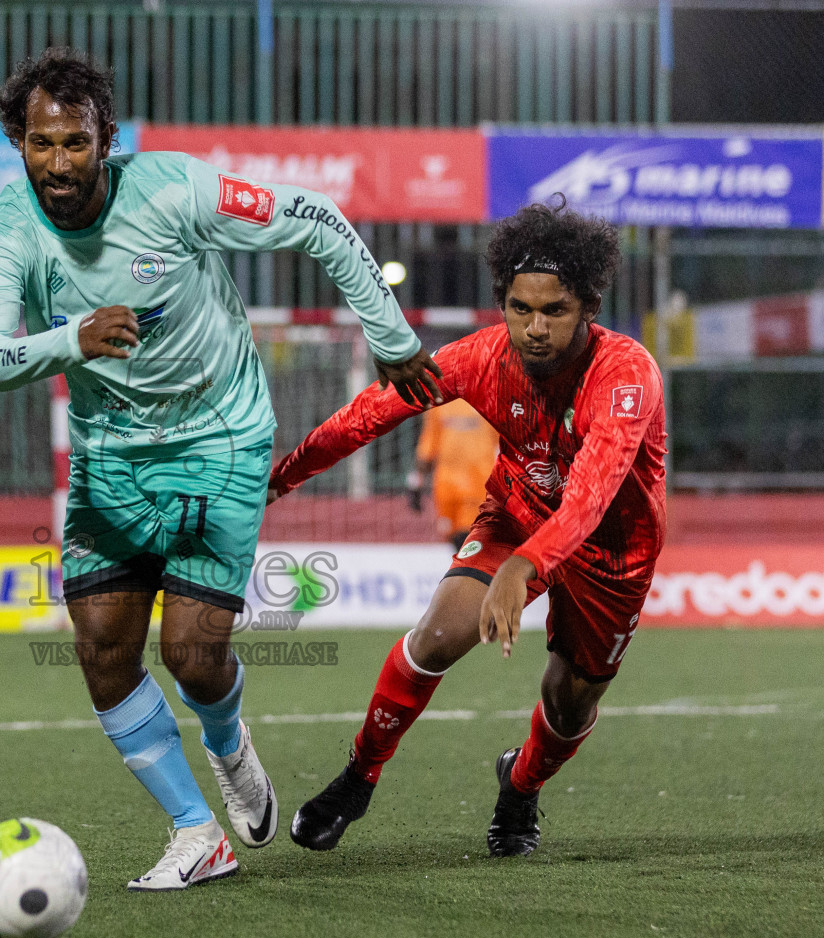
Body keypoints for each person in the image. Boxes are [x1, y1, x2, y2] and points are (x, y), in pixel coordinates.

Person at [0, 49, 437, 889]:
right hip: (110, 453)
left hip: (219, 437)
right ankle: (195, 832)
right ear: (16, 140)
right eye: (42, 144)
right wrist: (73, 338)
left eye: (77, 143)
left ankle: (228, 744)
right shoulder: (4, 233)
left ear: (108, 137)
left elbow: (319, 220)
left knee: (190, 654)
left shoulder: (176, 189)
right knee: (102, 649)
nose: (60, 164)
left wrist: (391, 339)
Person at [269, 199, 667, 858]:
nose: (535, 327)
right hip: (517, 515)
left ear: (588, 308)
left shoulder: (626, 377)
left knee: (569, 705)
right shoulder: (481, 357)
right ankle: (358, 776)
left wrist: (523, 569)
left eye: (554, 311)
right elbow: (370, 414)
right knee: (434, 637)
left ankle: (521, 785)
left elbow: (591, 500)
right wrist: (283, 476)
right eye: (520, 309)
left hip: (613, 553)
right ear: (502, 304)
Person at [408, 400, 498, 549]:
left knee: (469, 536)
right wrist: (416, 481)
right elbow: (429, 442)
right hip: (446, 483)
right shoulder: (438, 401)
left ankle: (471, 569)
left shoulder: (488, 397)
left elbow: (502, 441)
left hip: (478, 481)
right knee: (452, 535)